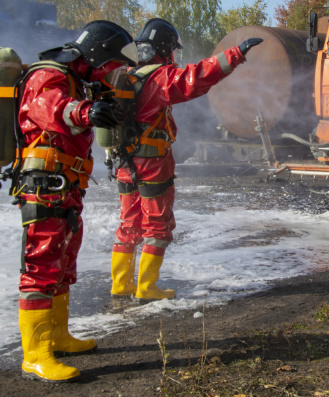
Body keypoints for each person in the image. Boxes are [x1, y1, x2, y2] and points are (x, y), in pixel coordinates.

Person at [16, 20, 137, 381]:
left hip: (66, 184)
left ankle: (57, 337)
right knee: (41, 262)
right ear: (99, 52)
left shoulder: (79, 78)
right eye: (112, 61)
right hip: (44, 183)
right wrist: (84, 112)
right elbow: (48, 107)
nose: (113, 69)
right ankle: (35, 355)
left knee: (64, 259)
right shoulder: (49, 75)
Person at [108, 18, 262, 301]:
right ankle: (146, 288)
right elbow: (196, 77)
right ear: (165, 50)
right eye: (172, 51)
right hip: (152, 163)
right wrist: (235, 54)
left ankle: (121, 285)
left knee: (129, 223)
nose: (174, 57)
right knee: (156, 225)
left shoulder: (127, 75)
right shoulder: (159, 78)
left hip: (124, 164)